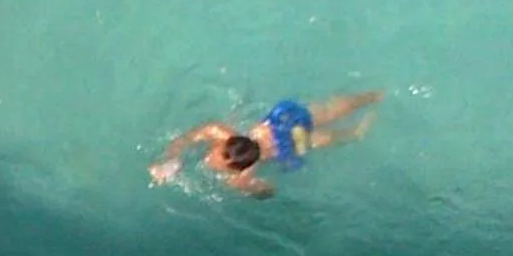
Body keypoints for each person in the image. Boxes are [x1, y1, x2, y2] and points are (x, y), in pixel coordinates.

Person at [149, 92, 384, 198]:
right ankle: (373, 97)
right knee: (323, 114)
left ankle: (357, 130)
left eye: (218, 161)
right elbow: (186, 139)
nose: (211, 160)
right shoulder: (217, 131)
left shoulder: (240, 176)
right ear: (225, 142)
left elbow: (269, 192)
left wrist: (250, 188)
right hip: (277, 125)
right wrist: (170, 159)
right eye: (216, 156)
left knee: (318, 137)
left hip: (284, 145)